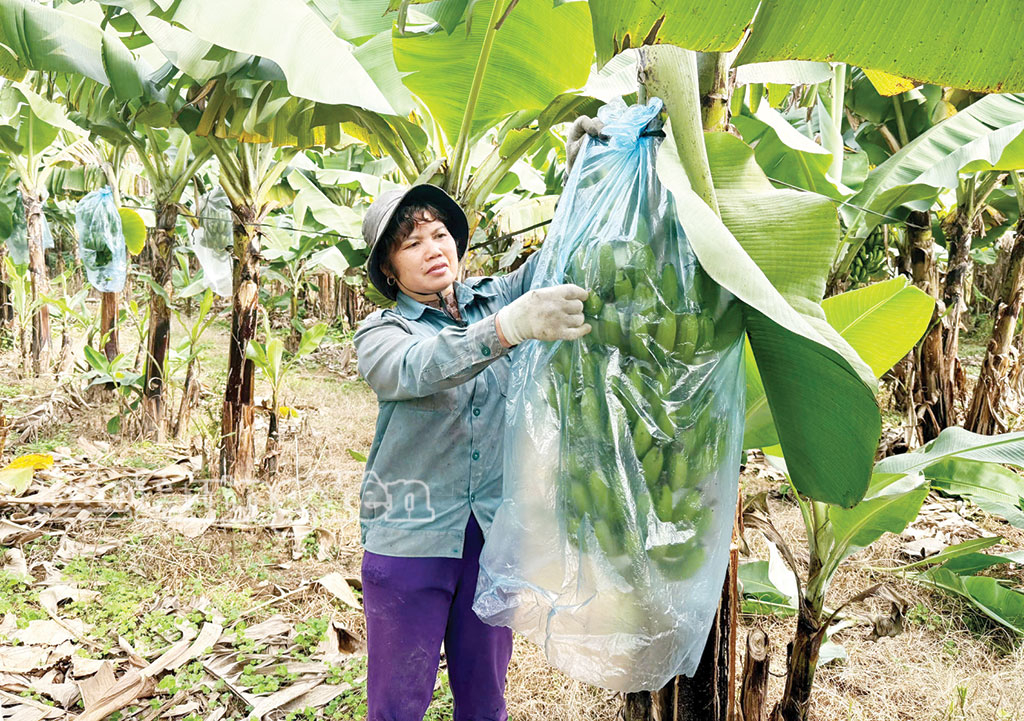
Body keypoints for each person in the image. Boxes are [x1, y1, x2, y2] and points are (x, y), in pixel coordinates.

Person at [353, 182, 592, 721]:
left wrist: (583, 173)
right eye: (412, 243)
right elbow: (421, 367)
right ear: (389, 268)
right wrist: (508, 328)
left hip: (491, 534)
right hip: (410, 534)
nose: (433, 249)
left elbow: (564, 250)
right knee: (396, 706)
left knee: (486, 700)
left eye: (440, 235)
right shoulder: (381, 333)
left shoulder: (500, 295)